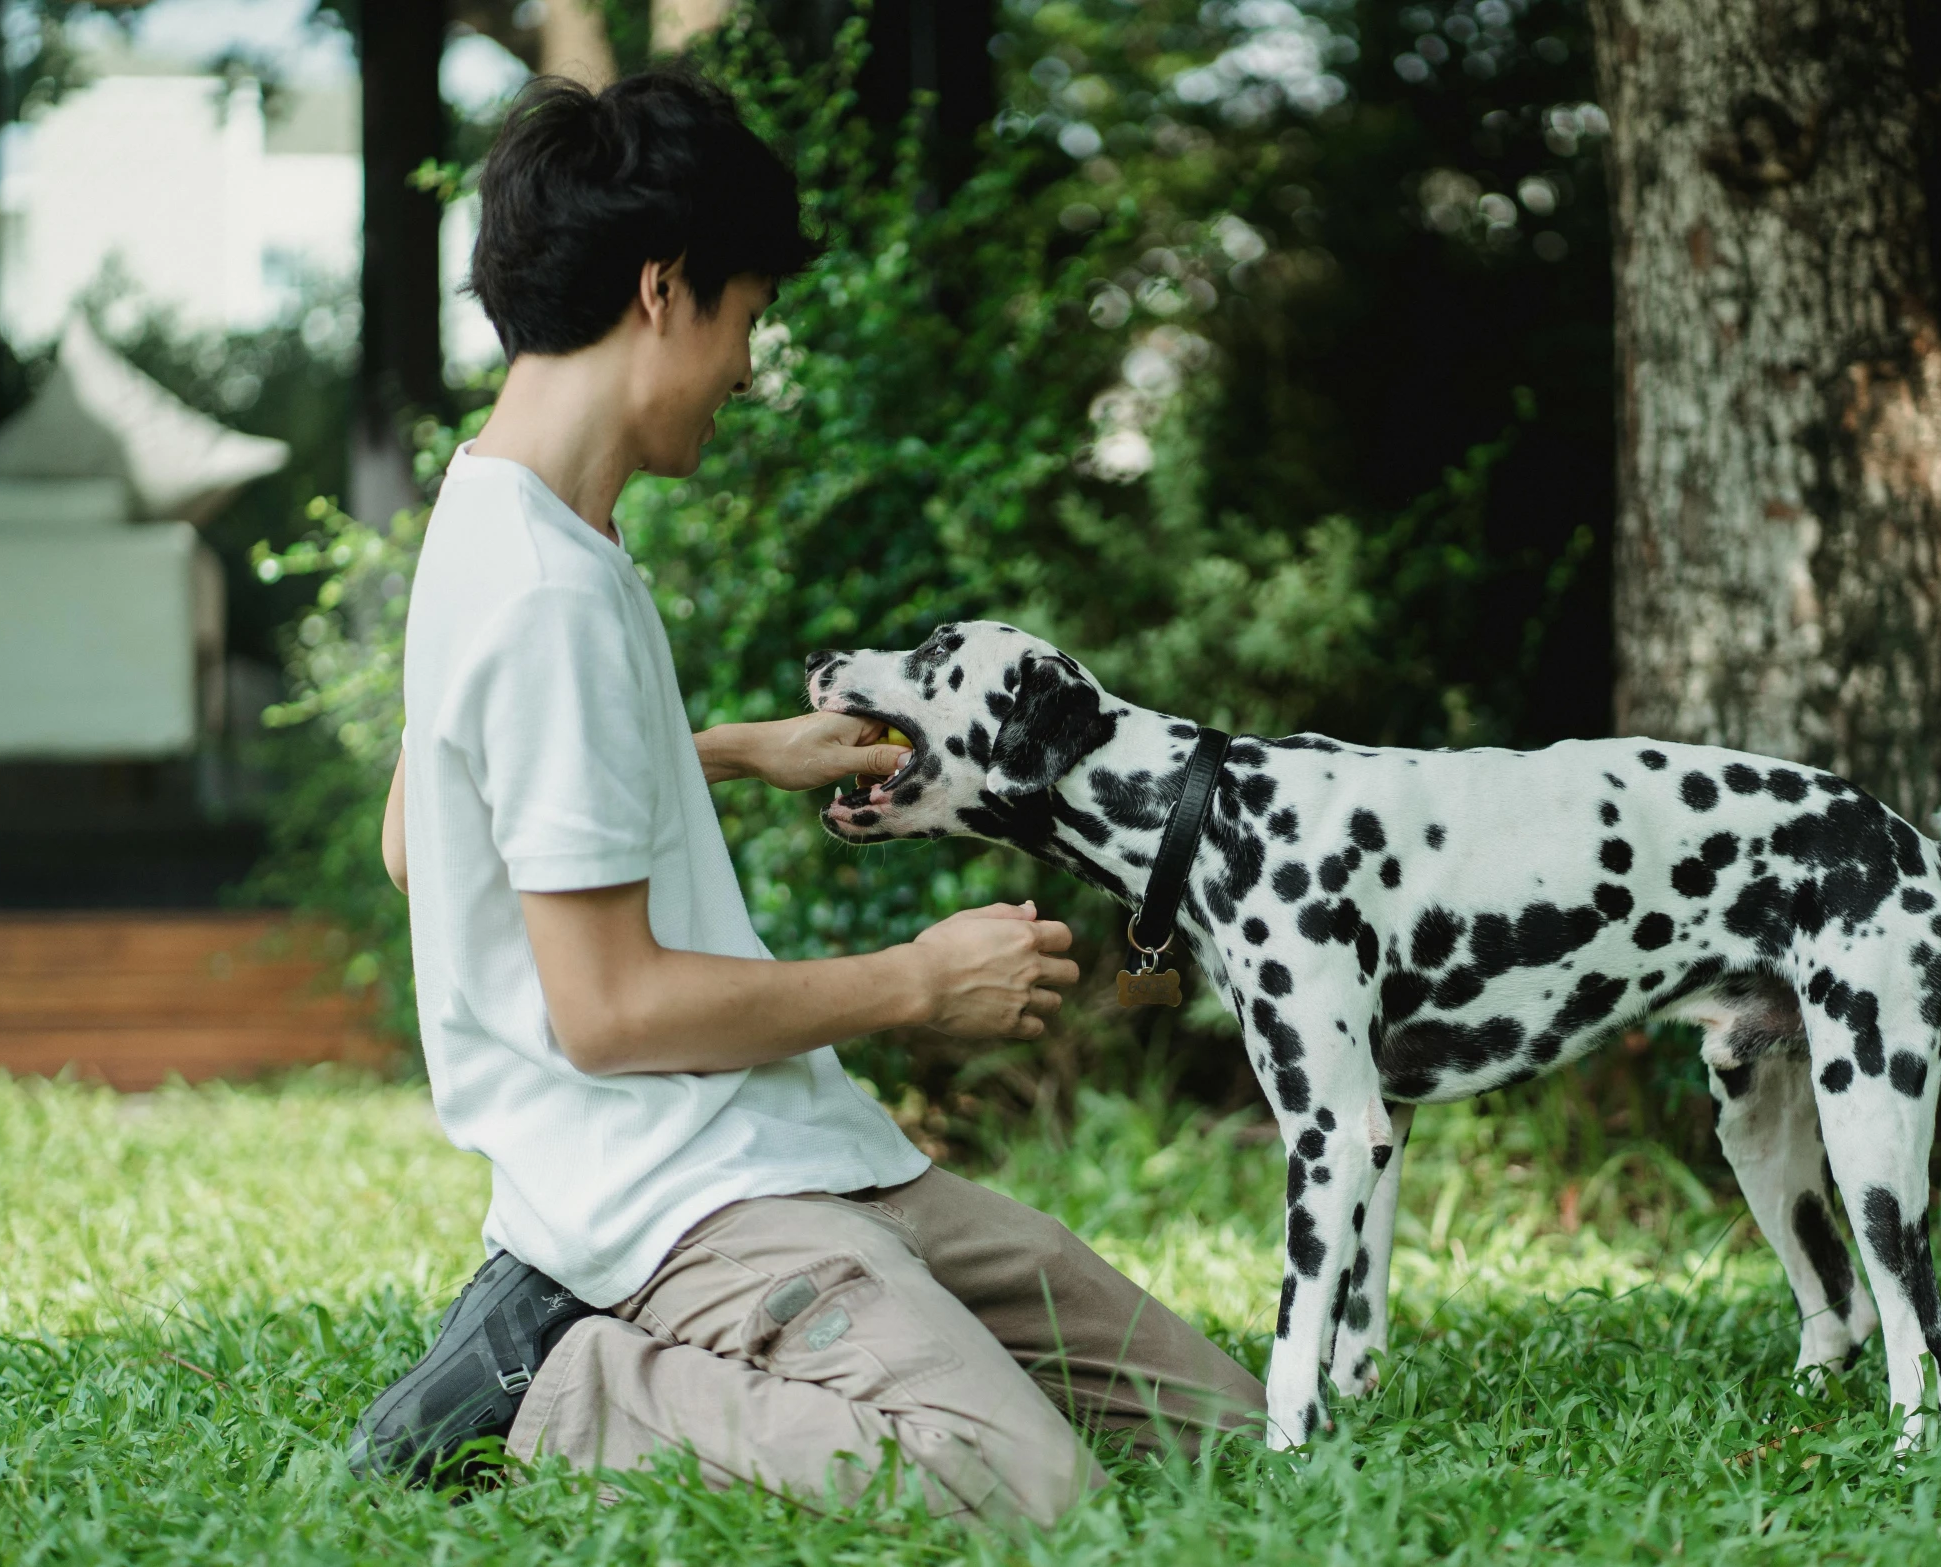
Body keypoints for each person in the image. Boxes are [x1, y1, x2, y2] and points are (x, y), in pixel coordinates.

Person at [346, 62, 1264, 1525]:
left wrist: (721, 749)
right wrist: (916, 980)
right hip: (672, 1194)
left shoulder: (511, 518)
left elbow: (426, 836)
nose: (747, 365)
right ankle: (557, 1386)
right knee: (1025, 1489)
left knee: (1221, 1430)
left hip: (796, 1143)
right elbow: (610, 1010)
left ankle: (764, 1336)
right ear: (664, 290)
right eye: (748, 317)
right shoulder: (542, 595)